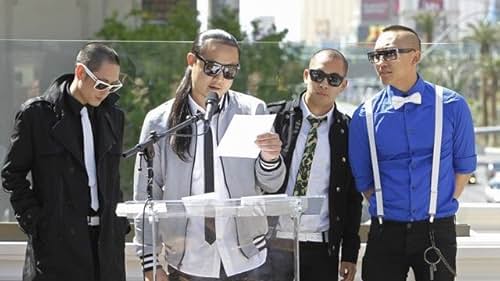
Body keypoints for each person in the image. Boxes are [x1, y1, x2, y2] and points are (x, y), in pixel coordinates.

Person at [133, 29, 286, 281]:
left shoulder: (252, 110)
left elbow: (271, 183)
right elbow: (146, 195)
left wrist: (271, 158)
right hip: (187, 257)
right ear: (192, 61)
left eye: (230, 71)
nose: (220, 78)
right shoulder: (159, 121)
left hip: (246, 255)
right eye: (213, 67)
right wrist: (150, 260)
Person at [349, 25, 476, 281]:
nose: (380, 62)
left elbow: (464, 168)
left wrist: (435, 205)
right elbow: (364, 180)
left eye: (389, 54)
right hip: (385, 232)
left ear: (415, 56)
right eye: (376, 56)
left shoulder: (452, 106)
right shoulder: (364, 114)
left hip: (436, 230)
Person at [1, 43, 129, 281]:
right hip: (57, 246)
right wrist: (37, 223)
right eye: (101, 84)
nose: (106, 91)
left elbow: (113, 177)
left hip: (106, 245)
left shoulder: (113, 116)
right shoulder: (37, 115)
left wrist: (120, 226)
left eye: (113, 86)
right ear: (80, 72)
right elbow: (12, 175)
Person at [267, 48, 363, 281]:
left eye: (333, 79)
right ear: (306, 75)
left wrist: (349, 253)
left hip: (321, 248)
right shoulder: (275, 117)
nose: (324, 84)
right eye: (318, 75)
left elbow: (352, 197)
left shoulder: (348, 131)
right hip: (273, 243)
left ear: (343, 85)